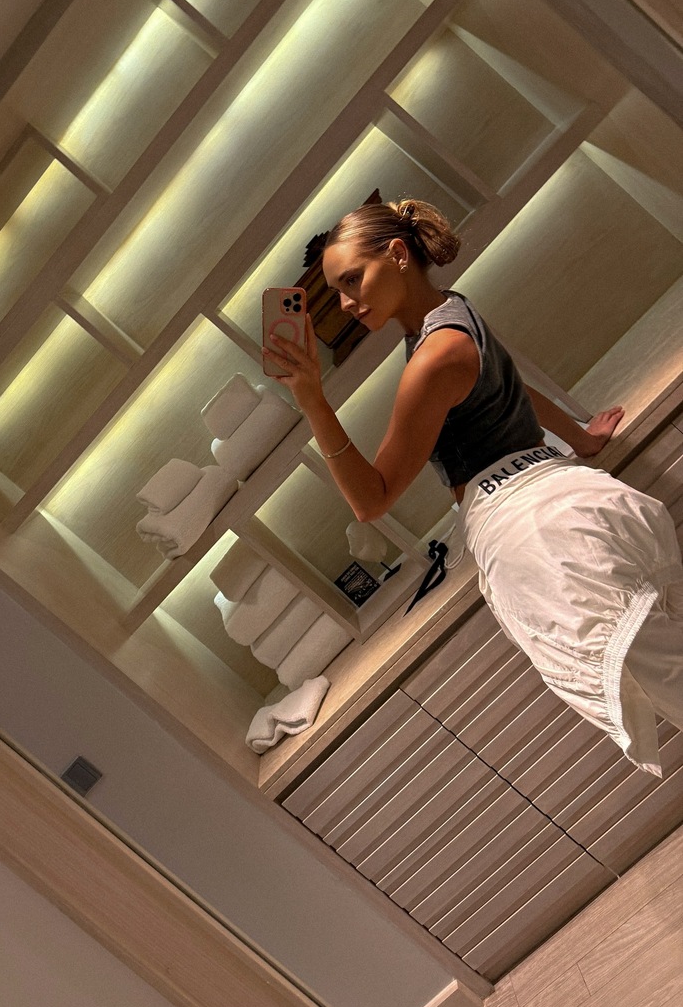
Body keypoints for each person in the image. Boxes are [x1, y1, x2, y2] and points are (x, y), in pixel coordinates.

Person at [266, 198, 683, 776]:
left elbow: (371, 499)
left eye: (352, 280)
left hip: (536, 533)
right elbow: (506, 384)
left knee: (671, 675)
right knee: (670, 658)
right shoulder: (451, 313)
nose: (346, 303)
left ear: (397, 253)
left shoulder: (431, 358)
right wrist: (581, 438)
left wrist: (314, 401)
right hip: (567, 493)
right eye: (337, 291)